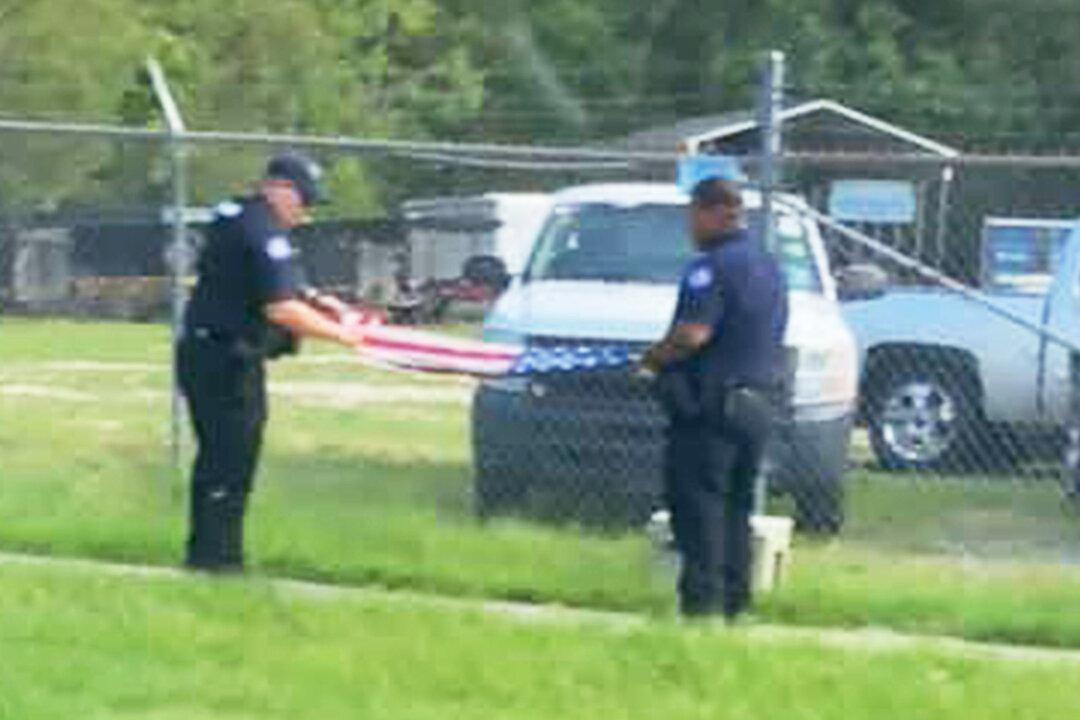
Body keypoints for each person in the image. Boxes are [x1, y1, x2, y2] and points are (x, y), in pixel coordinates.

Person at [177, 152, 364, 573]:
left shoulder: (239, 215)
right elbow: (281, 308)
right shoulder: (262, 230)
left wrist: (318, 300)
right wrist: (343, 335)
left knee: (218, 459)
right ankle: (218, 562)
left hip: (208, 352)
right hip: (225, 358)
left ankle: (208, 554)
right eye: (303, 201)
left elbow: (275, 280)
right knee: (231, 460)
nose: (305, 213)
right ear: (279, 188)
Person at [641, 177, 789, 620]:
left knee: (699, 510)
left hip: (712, 409)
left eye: (693, 214)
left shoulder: (710, 267)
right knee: (737, 511)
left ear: (711, 212)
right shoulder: (767, 266)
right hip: (757, 404)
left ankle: (701, 609)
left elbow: (693, 334)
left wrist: (653, 359)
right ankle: (735, 606)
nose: (690, 225)